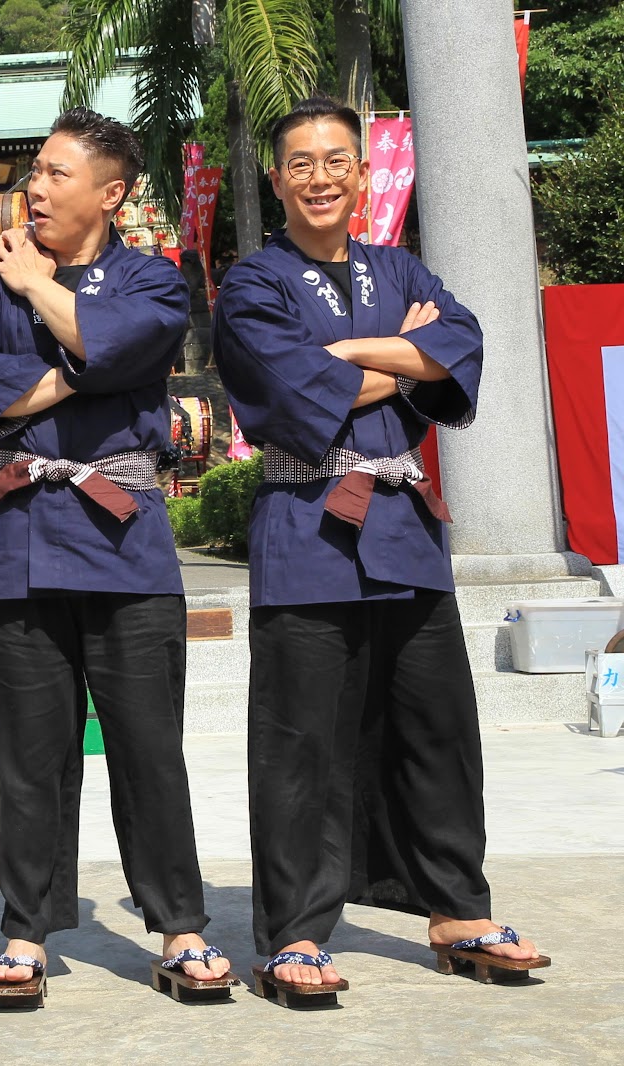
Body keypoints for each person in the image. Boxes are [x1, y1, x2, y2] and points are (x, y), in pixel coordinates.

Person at [211, 96, 548, 1001]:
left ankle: (458, 911)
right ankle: (293, 933)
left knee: (438, 728)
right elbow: (289, 385)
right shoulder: (253, 283)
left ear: (363, 174)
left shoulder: (397, 264)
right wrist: (404, 349)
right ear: (276, 179)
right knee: (300, 742)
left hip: (402, 531)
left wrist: (357, 351)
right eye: (301, 163)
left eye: (337, 161)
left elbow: (462, 341)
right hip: (306, 527)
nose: (320, 177)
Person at [0, 108, 232, 1007]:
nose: (34, 187)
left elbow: (131, 344)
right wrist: (83, 365)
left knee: (150, 748)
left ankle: (179, 926)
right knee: (30, 758)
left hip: (124, 541)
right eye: (35, 170)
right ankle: (25, 931)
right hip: (19, 538)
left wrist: (44, 294)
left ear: (111, 193)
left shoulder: (151, 277)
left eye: (56, 173)